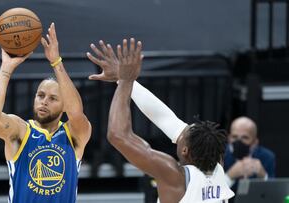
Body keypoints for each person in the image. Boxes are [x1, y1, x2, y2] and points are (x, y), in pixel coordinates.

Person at [87, 38, 234, 203]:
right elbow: (166, 119)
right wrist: (122, 79)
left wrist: (126, 81)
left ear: (185, 150)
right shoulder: (217, 170)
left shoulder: (173, 174)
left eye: (183, 133)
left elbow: (118, 135)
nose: (179, 130)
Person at [0, 23, 91, 203]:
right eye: (40, 95)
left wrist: (56, 62)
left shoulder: (75, 135)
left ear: (64, 106)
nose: (44, 101)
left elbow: (76, 112)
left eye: (53, 98)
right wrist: (6, 69)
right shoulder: (21, 131)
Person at [224, 116, 275, 189]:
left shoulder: (267, 157)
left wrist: (263, 176)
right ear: (229, 138)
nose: (239, 141)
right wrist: (229, 176)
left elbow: (273, 193)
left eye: (245, 137)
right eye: (234, 137)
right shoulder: (219, 156)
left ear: (255, 142)